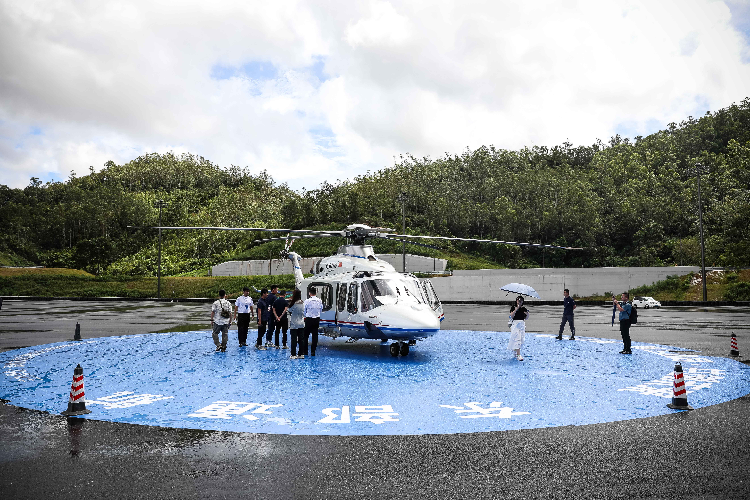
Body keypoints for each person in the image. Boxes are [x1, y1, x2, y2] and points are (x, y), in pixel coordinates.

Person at [303, 287, 323, 356]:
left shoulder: (307, 301)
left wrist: (306, 316)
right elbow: (321, 309)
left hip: (309, 319)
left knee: (305, 335)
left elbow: (304, 310)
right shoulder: (319, 300)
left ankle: (305, 351)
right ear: (316, 293)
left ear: (309, 293)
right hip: (316, 319)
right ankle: (313, 351)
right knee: (315, 335)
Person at [508, 295, 529, 361]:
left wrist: (527, 313)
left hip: (522, 324)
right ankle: (519, 355)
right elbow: (511, 316)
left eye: (521, 301)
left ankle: (515, 349)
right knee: (517, 339)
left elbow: (526, 318)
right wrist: (515, 310)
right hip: (515, 324)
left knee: (521, 339)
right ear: (516, 301)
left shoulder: (523, 309)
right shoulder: (513, 307)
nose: (519, 302)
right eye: (518, 300)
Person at [287, 289, 305, 359]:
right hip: (301, 323)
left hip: (294, 324)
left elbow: (289, 310)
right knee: (301, 339)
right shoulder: (302, 303)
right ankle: (301, 354)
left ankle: (293, 354)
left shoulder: (293, 303)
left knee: (294, 339)